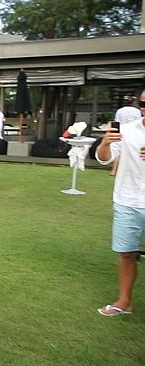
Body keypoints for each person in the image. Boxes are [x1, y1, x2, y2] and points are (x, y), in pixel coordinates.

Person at [95, 88, 145, 317]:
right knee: (127, 253)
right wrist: (105, 143)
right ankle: (124, 301)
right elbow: (104, 158)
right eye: (144, 104)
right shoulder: (127, 130)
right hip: (128, 199)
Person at [109, 96, 142, 176]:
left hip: (121, 133)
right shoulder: (137, 111)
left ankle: (114, 170)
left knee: (118, 151)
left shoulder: (119, 111)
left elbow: (116, 122)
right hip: (133, 133)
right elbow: (139, 122)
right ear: (134, 102)